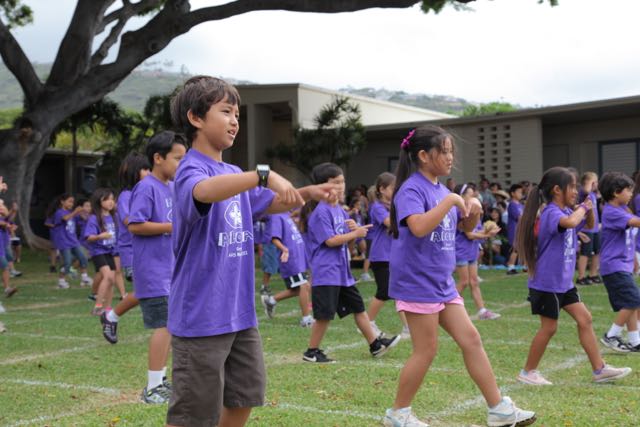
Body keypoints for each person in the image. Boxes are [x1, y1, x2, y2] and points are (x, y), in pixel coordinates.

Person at [165, 75, 337, 427]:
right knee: (193, 416)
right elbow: (204, 191)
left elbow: (270, 202)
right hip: (201, 316)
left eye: (238, 115)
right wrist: (262, 174)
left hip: (239, 312)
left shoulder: (231, 171)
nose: (234, 121)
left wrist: (308, 193)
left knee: (244, 395)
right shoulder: (190, 170)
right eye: (225, 112)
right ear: (196, 118)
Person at [382, 126, 535, 427]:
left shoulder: (441, 191)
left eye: (451, 151)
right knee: (426, 349)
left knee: (471, 339)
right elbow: (418, 227)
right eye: (445, 151)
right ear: (423, 155)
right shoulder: (412, 189)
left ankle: (499, 409)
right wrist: (452, 201)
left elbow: (462, 228)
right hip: (417, 281)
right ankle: (398, 414)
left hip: (441, 282)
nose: (451, 157)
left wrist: (473, 212)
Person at [515, 167, 631, 386]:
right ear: (557, 190)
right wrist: (583, 207)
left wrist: (589, 207)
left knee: (585, 319)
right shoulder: (552, 212)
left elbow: (590, 225)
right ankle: (528, 372)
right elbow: (569, 223)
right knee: (549, 328)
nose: (576, 191)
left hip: (564, 283)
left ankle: (599, 369)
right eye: (572, 187)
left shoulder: (568, 211)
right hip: (547, 283)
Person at [301, 162, 400, 364]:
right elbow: (330, 241)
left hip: (342, 272)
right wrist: (355, 233)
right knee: (324, 315)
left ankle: (375, 345)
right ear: (322, 186)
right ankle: (311, 351)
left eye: (342, 181)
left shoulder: (339, 210)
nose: (340, 186)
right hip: (327, 272)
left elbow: (348, 240)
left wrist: (354, 231)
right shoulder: (321, 212)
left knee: (358, 308)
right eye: (335, 182)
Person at [126, 131, 185, 403]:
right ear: (158, 158)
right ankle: (151, 388)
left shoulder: (171, 187)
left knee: (171, 326)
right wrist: (171, 227)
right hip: (153, 270)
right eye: (177, 158)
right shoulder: (146, 187)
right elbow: (135, 225)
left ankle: (160, 381)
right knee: (165, 326)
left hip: (170, 269)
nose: (181, 164)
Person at [100, 152, 151, 344]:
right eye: (145, 169)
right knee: (147, 291)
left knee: (151, 291)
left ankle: (111, 316)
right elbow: (130, 221)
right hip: (133, 253)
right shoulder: (126, 196)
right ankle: (111, 316)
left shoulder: (143, 193)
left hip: (147, 251)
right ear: (133, 172)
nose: (149, 172)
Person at [598, 172, 640, 352]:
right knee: (634, 300)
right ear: (616, 192)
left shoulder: (622, 209)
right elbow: (636, 222)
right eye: (628, 190)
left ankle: (635, 341)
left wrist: (633, 260)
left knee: (631, 301)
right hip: (614, 265)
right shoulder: (612, 212)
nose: (631, 194)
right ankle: (611, 335)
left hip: (623, 264)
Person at [365, 172, 409, 338]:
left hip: (393, 255)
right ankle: (367, 323)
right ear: (382, 189)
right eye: (392, 188)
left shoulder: (393, 206)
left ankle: (407, 327)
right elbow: (389, 223)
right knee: (384, 292)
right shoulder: (377, 207)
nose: (396, 190)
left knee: (400, 292)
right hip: (381, 256)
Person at [454, 184, 501, 320]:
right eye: (470, 194)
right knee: (464, 282)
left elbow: (476, 231)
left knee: (474, 281)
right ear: (461, 196)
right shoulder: (459, 212)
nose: (474, 196)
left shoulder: (475, 213)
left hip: (471, 251)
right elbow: (469, 234)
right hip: (461, 250)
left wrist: (488, 230)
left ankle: (482, 311)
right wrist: (487, 234)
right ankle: (446, 307)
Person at [261, 210, 313, 327]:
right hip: (291, 258)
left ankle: (271, 301)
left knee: (299, 289)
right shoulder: (275, 216)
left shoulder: (286, 214)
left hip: (298, 257)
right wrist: (284, 249)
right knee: (304, 286)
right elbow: (274, 238)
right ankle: (306, 319)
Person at [83, 188, 118, 316]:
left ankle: (107, 308)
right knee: (107, 276)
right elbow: (89, 237)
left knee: (112, 280)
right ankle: (97, 307)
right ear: (99, 201)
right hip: (98, 251)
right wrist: (100, 236)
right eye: (106, 199)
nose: (110, 202)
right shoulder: (94, 218)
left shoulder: (113, 217)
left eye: (112, 199)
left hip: (110, 251)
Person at [50, 194, 93, 288]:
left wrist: (82, 212)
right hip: (63, 241)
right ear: (62, 201)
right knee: (67, 262)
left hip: (73, 240)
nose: (71, 204)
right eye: (69, 201)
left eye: (72, 202)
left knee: (83, 258)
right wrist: (75, 212)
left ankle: (85, 278)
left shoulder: (71, 212)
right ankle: (61, 281)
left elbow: (83, 218)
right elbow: (65, 218)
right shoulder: (59, 212)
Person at [576, 172, 602, 285]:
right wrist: (589, 183)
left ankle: (593, 274)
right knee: (585, 252)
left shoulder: (593, 194)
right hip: (586, 229)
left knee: (597, 251)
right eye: (594, 182)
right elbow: (585, 190)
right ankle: (581, 277)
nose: (596, 184)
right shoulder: (583, 192)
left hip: (595, 228)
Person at [506, 183, 524, 275]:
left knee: (522, 248)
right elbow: (519, 217)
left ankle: (526, 266)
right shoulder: (512, 205)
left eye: (521, 192)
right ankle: (510, 267)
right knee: (515, 249)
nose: (521, 194)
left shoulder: (521, 205)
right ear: (513, 193)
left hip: (520, 230)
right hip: (514, 230)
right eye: (519, 192)